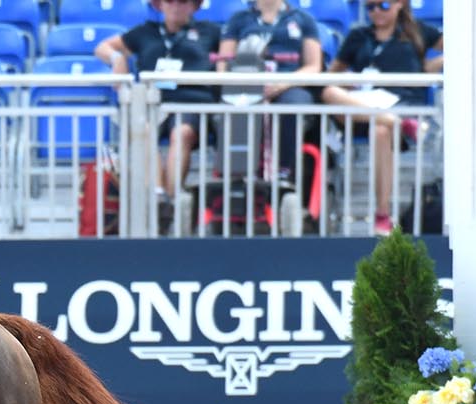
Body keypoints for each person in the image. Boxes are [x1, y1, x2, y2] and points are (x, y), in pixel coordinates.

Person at [321, 0, 443, 235]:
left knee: (380, 130)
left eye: (383, 5)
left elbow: (463, 45)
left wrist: (437, 62)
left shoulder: (418, 32)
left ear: (399, 5)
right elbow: (331, 75)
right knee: (329, 92)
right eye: (370, 7)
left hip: (403, 104)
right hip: (364, 106)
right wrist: (350, 80)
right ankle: (397, 122)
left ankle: (382, 214)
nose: (376, 11)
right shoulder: (358, 35)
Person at [94, 0, 220, 199]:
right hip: (151, 102)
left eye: (183, 2)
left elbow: (231, 55)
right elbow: (102, 47)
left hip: (190, 103)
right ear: (160, 5)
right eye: (169, 1)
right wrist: (117, 58)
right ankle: (158, 197)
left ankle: (170, 200)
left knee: (182, 133)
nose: (175, 6)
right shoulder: (145, 31)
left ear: (193, 6)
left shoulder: (210, 31)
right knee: (141, 129)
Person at [217, 0, 324, 180]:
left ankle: (284, 172)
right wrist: (242, 83)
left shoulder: (304, 19)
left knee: (293, 106)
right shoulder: (238, 19)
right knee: (234, 108)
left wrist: (283, 83)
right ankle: (237, 176)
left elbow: (313, 66)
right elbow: (223, 63)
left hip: (289, 84)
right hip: (247, 84)